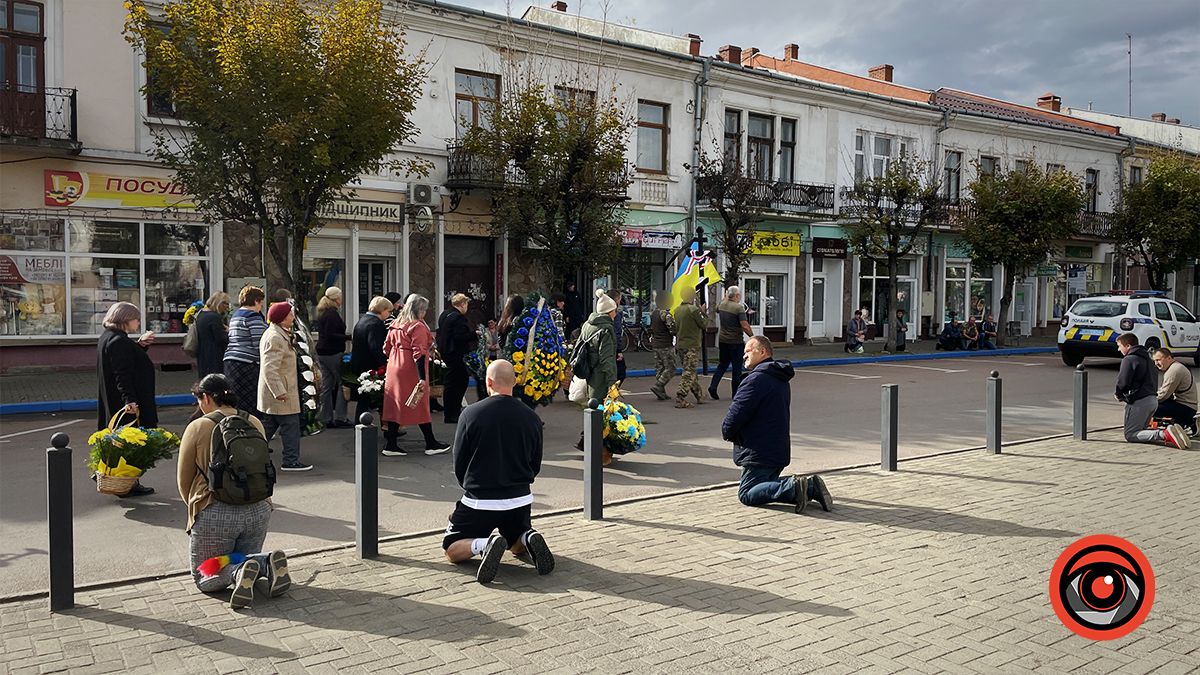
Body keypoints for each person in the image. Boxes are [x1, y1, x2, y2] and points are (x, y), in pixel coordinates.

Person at [177, 374, 291, 609]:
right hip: (258, 508)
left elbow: (184, 479)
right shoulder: (254, 421)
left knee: (204, 574)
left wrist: (196, 510)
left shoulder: (198, 426)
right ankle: (266, 564)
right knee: (242, 556)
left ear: (205, 398)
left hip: (215, 510)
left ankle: (238, 572)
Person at [442, 360, 553, 584]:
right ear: (514, 381)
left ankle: (484, 544)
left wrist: (470, 486)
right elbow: (535, 462)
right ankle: (527, 537)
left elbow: (460, 461)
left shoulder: (471, 414)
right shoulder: (531, 417)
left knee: (451, 548)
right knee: (515, 544)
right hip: (520, 497)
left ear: (489, 382)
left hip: (480, 499)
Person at [722, 336, 832, 513]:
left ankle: (797, 487)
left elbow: (736, 413)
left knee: (747, 493)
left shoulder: (756, 379)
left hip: (759, 450)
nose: (744, 356)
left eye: (748, 351)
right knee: (767, 485)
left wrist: (727, 431)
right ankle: (811, 487)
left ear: (762, 351)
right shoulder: (779, 376)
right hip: (776, 449)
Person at [96, 301, 157, 498]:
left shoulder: (110, 337)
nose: (138, 322)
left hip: (115, 399)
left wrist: (139, 345)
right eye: (136, 319)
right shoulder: (118, 341)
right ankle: (126, 482)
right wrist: (129, 400)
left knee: (120, 440)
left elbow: (125, 361)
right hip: (127, 401)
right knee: (130, 441)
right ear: (125, 320)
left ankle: (121, 478)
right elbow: (122, 373)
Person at [381, 294, 451, 457]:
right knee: (419, 402)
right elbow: (418, 353)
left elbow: (386, 348)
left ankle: (391, 444)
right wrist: (422, 378)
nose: (425, 313)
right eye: (424, 310)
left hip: (394, 365)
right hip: (410, 368)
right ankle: (430, 443)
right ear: (419, 310)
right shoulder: (417, 326)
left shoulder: (396, 323)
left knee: (395, 405)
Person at [258, 302, 311, 471]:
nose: (293, 317)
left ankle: (249, 454)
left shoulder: (279, 333)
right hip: (281, 393)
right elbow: (269, 369)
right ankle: (290, 461)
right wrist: (279, 392)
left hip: (277, 393)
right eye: (290, 314)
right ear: (282, 318)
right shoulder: (275, 337)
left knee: (269, 426)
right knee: (290, 426)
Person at [1116, 333, 1189, 449]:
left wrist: (1119, 394)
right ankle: (1173, 432)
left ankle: (1164, 434)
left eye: (1120, 346)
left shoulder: (1129, 359)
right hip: (1152, 400)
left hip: (1138, 401)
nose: (1118, 349)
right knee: (1142, 430)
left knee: (1130, 434)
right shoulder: (1149, 360)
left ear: (1128, 346)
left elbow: (1123, 381)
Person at [224, 286, 267, 417]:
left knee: (237, 400)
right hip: (247, 364)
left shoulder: (236, 315)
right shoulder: (253, 316)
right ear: (256, 301)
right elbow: (260, 343)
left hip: (231, 361)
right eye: (261, 302)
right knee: (250, 402)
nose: (261, 306)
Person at [312, 287, 351, 428]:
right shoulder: (332, 314)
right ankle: (340, 417)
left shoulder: (323, 312)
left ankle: (325, 417)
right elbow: (331, 335)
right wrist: (348, 337)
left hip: (322, 353)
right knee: (343, 384)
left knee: (326, 386)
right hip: (333, 352)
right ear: (337, 299)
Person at [349, 296, 392, 423]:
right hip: (370, 366)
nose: (389, 314)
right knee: (374, 397)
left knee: (364, 398)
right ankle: (386, 426)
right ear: (382, 310)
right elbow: (376, 347)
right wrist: (385, 363)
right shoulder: (376, 324)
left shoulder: (362, 320)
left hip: (359, 364)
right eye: (389, 311)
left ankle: (360, 423)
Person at [709, 285, 753, 400]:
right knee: (737, 368)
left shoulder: (722, 305)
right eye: (739, 295)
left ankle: (713, 386)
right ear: (737, 295)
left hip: (723, 340)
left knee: (722, 364)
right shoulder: (739, 308)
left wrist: (725, 297)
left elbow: (717, 309)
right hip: (735, 341)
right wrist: (752, 337)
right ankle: (735, 393)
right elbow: (744, 325)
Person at [437, 293, 475, 424]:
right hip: (456, 353)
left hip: (446, 352)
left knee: (451, 383)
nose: (467, 307)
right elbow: (460, 336)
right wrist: (474, 334)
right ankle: (453, 412)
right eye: (466, 304)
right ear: (462, 304)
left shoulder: (445, 314)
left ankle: (450, 412)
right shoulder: (458, 318)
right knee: (459, 383)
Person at [673, 286, 708, 409]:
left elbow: (675, 328)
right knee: (689, 372)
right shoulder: (693, 310)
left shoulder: (677, 310)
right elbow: (703, 324)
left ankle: (699, 395)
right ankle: (680, 397)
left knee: (690, 371)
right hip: (691, 345)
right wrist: (703, 312)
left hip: (681, 344)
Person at [1152, 347, 1197, 437]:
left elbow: (1163, 395)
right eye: (1154, 361)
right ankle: (1186, 423)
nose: (1156, 363)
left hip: (1186, 408)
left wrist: (1148, 401)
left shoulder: (1174, 370)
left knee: (1151, 407)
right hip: (1187, 406)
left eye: (1158, 360)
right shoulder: (1176, 366)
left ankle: (1187, 423)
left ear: (1169, 358)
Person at [648, 291, 677, 401]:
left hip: (656, 344)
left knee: (660, 368)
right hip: (665, 345)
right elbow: (673, 330)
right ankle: (658, 385)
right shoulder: (666, 314)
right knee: (671, 368)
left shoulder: (654, 313)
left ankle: (661, 392)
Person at [194, 292, 230, 377]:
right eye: (226, 304)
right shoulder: (215, 317)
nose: (227, 307)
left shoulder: (201, 314)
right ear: (219, 303)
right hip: (214, 356)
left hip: (202, 355)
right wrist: (229, 332)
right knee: (216, 380)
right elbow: (220, 338)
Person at [608, 289, 627, 383]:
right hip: (612, 348)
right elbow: (617, 333)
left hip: (605, 348)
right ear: (617, 300)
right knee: (620, 373)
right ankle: (611, 391)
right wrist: (619, 351)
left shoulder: (602, 312)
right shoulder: (615, 314)